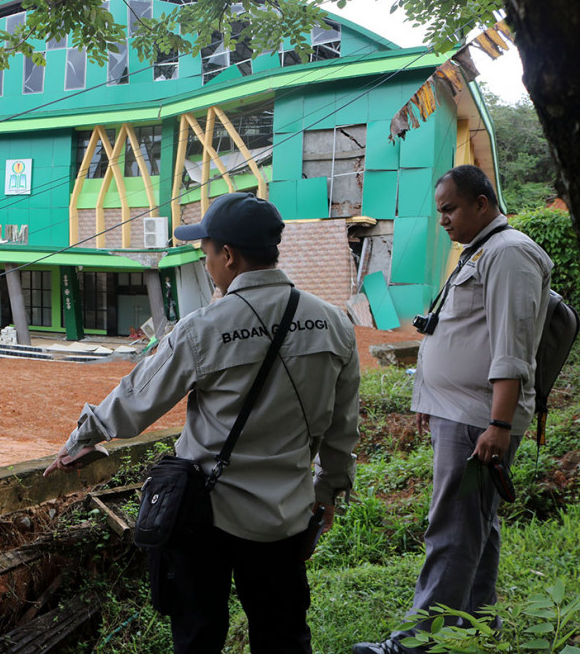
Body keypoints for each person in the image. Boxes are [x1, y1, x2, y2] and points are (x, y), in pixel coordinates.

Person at [45, 192, 360, 654]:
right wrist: (328, 492)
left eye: (206, 251)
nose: (206, 261)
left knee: (197, 636)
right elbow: (342, 428)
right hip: (286, 516)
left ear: (228, 256)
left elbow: (134, 403)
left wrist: (82, 438)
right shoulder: (333, 322)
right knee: (284, 635)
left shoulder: (203, 328)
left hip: (206, 515)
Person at [353, 165, 553, 654]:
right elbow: (459, 332)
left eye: (450, 209)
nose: (443, 219)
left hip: (480, 418)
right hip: (459, 412)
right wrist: (432, 399)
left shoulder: (509, 254)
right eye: (440, 210)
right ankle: (475, 626)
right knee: (475, 522)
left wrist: (500, 423)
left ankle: (416, 643)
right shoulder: (479, 252)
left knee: (452, 527)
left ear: (482, 203)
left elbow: (513, 348)